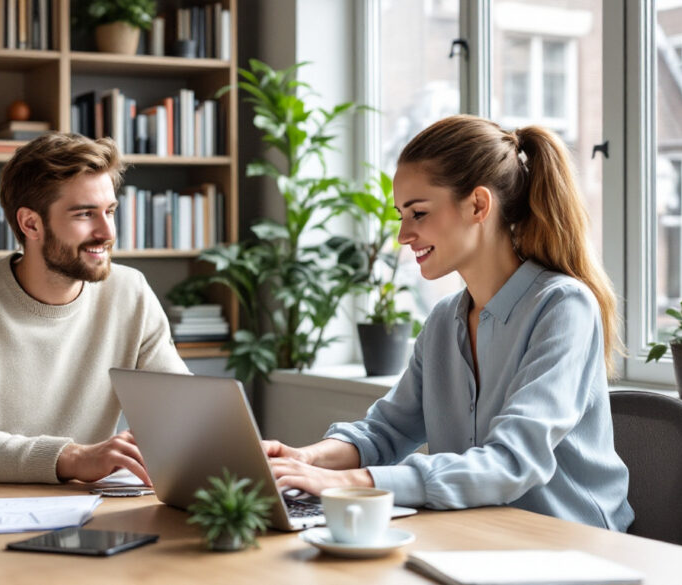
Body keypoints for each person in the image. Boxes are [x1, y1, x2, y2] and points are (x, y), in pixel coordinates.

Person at [264, 115, 634, 531]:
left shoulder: (563, 307)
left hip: (570, 543)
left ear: (478, 205)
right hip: (477, 535)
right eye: (401, 215)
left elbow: (511, 463)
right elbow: (385, 431)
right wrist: (306, 460)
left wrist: (345, 482)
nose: (404, 234)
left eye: (418, 213)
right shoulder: (443, 321)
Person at [0, 133, 189, 484]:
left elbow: (183, 413)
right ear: (31, 224)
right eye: (85, 214)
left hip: (78, 511)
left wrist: (252, 457)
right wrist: (72, 457)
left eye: (110, 211)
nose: (107, 232)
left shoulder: (130, 292)